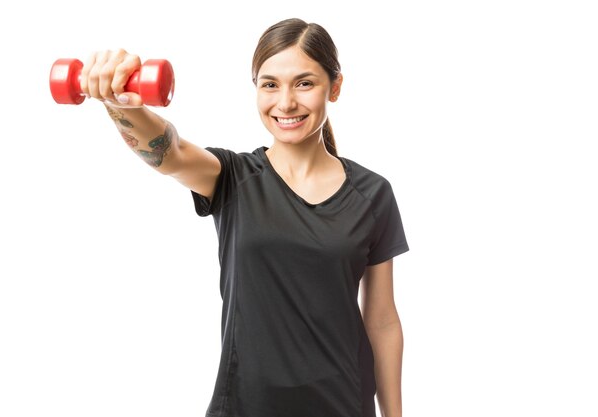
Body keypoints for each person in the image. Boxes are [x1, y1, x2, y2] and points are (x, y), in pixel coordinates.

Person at [81, 17, 409, 417]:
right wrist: (119, 103)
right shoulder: (233, 178)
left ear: (335, 87)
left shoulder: (373, 194)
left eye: (304, 83)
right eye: (270, 84)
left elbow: (382, 320)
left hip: (342, 405)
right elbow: (170, 152)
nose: (285, 102)